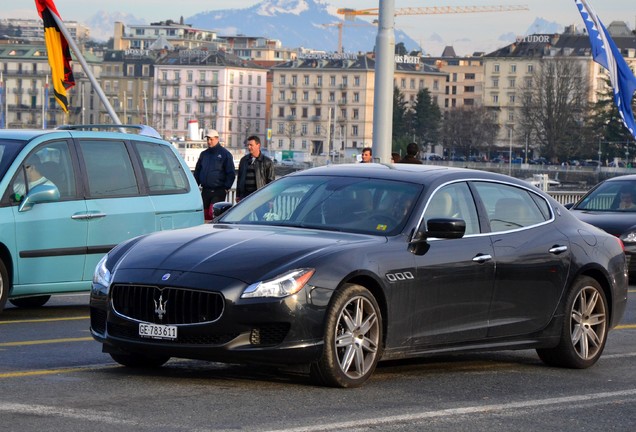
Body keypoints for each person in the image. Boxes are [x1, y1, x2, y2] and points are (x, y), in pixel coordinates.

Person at [193, 129, 236, 220]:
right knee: (203, 215)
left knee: (213, 214)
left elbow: (231, 173)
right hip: (205, 190)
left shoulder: (225, 154)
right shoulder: (204, 154)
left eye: (211, 139)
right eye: (207, 139)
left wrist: (226, 188)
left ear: (217, 139)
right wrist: (194, 187)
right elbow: (197, 171)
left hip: (218, 190)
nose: (209, 141)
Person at [236, 135, 275, 202]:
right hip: (245, 197)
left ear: (258, 145)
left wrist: (270, 200)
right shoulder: (243, 160)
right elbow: (239, 179)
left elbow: (271, 182)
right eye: (248, 145)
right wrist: (238, 195)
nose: (249, 147)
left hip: (260, 197)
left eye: (251, 145)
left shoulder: (267, 162)